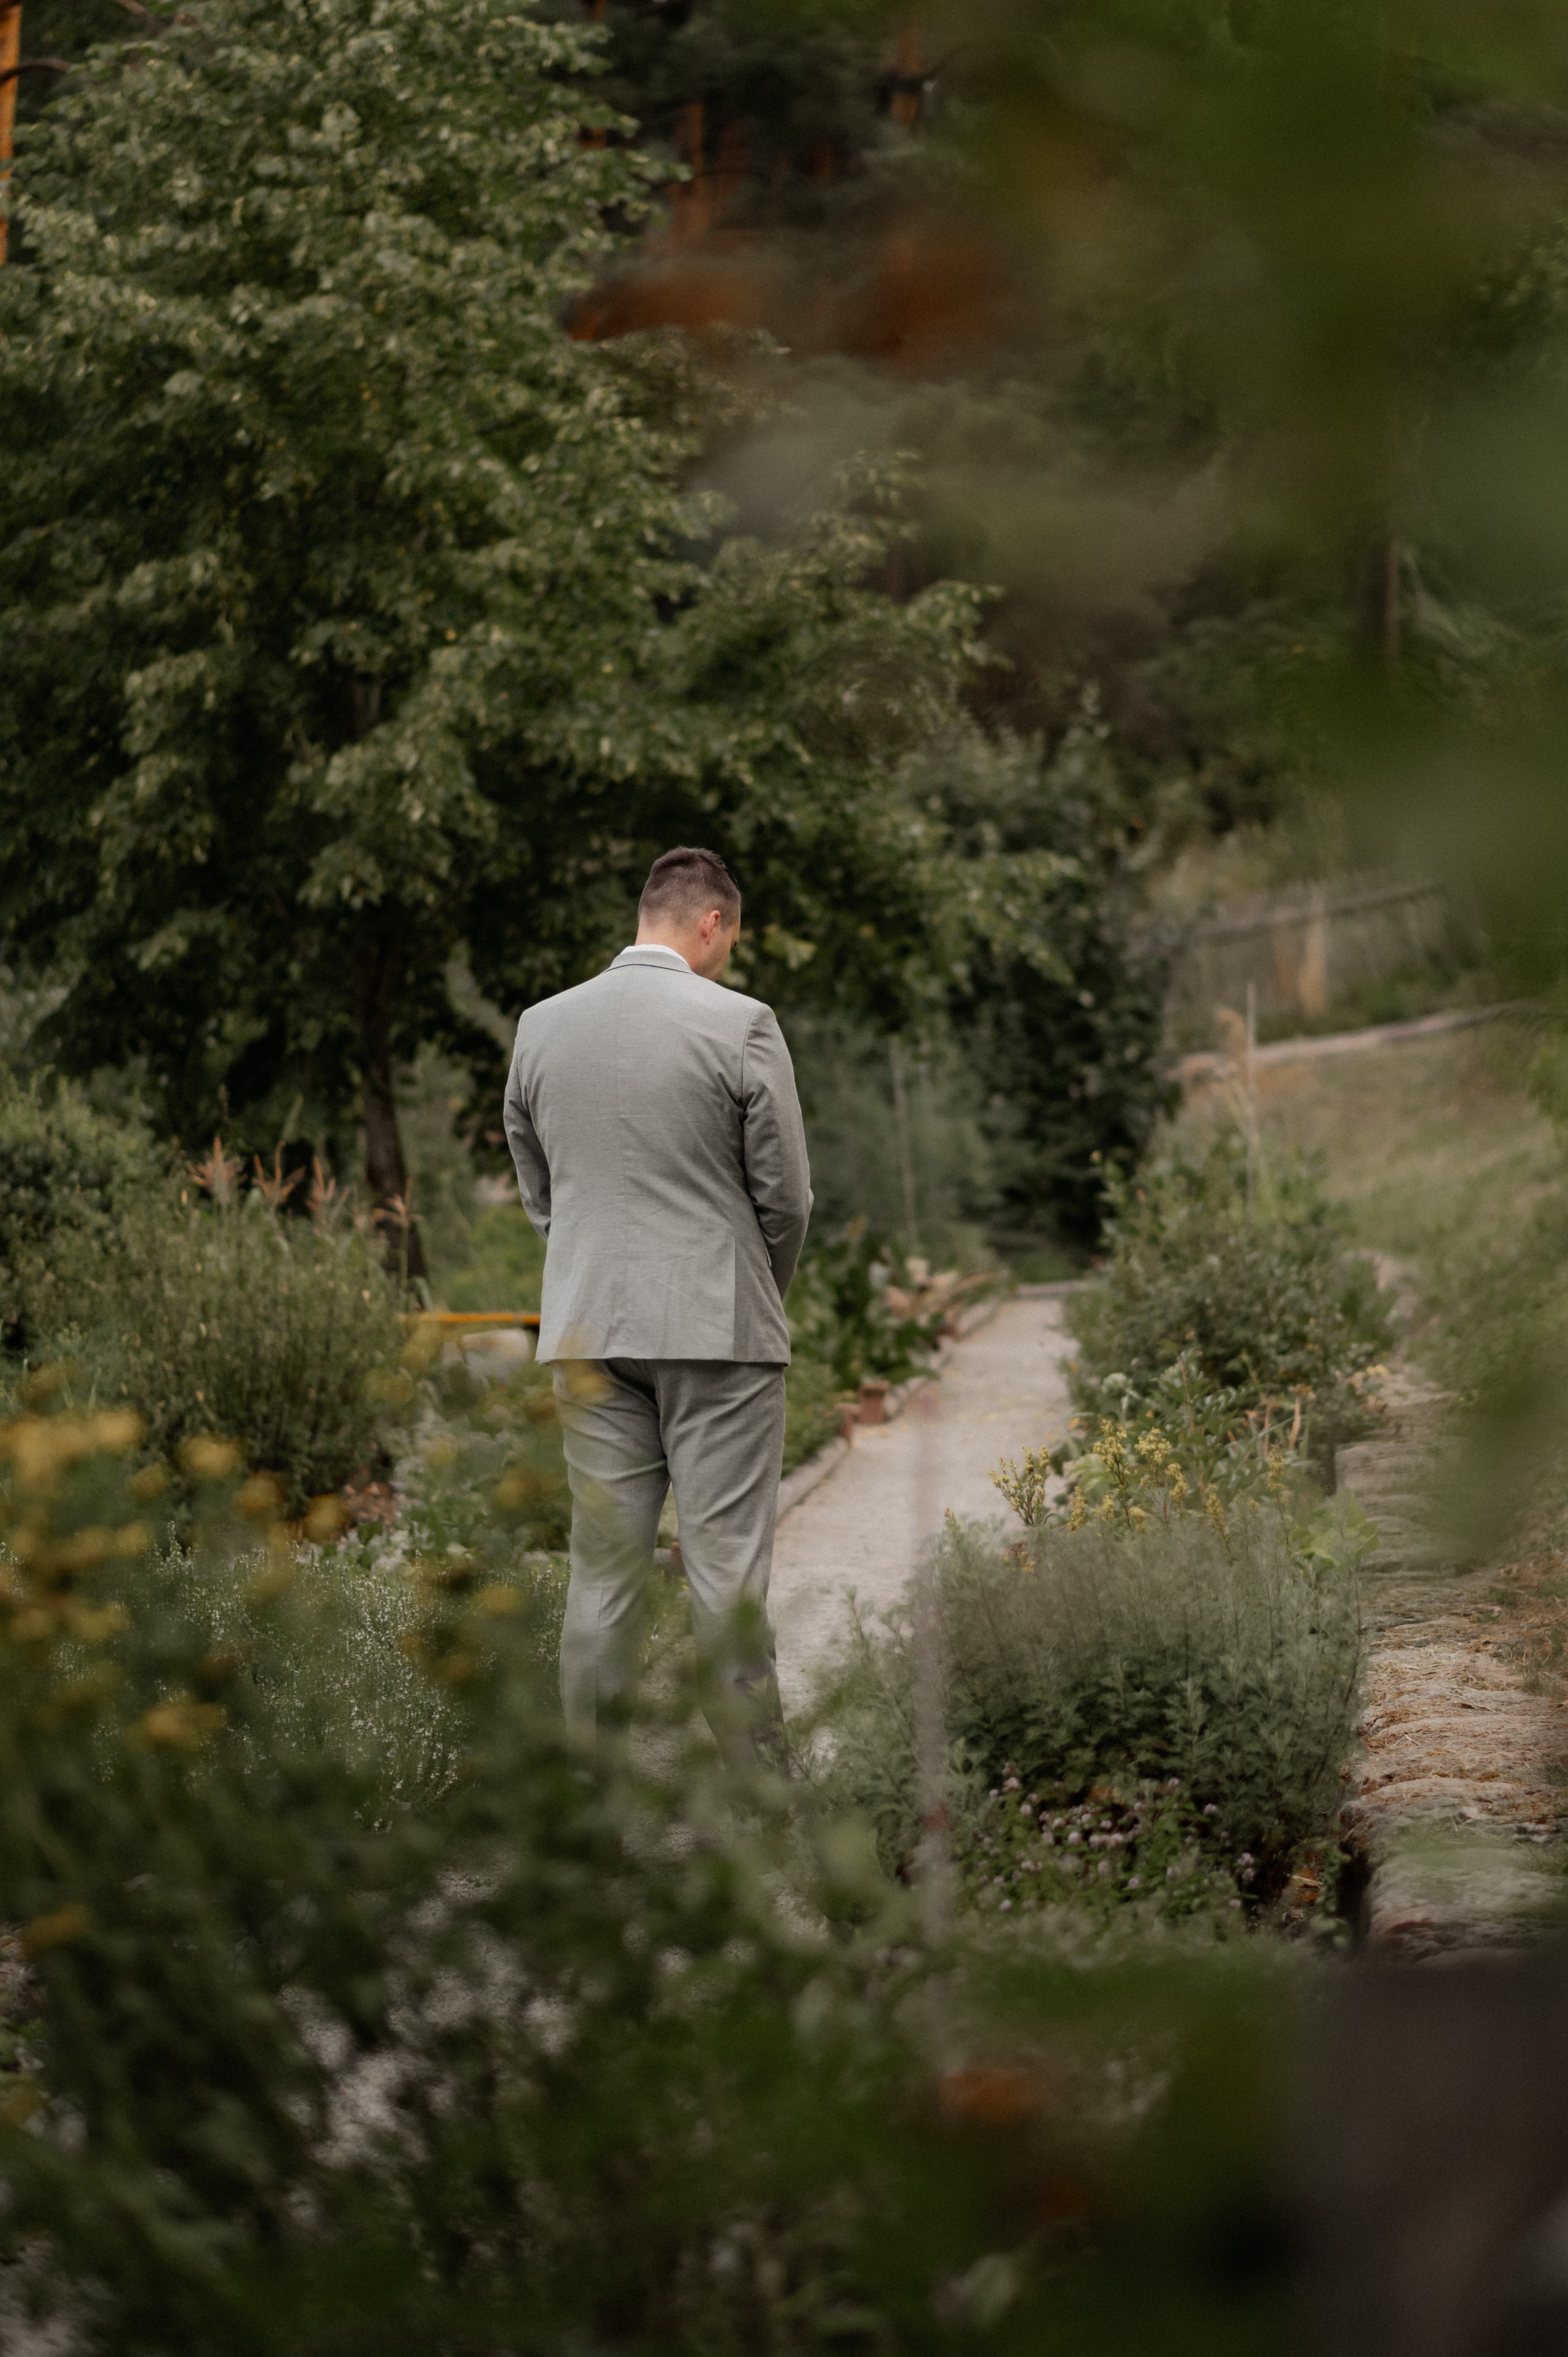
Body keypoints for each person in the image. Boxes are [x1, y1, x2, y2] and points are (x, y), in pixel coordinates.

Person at [503, 846, 813, 1750]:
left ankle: (591, 1800)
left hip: (590, 1331)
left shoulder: (540, 1028)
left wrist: (590, 1276)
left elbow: (542, 1193)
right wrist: (755, 1292)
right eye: (732, 937)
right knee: (725, 1578)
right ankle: (756, 1792)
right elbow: (787, 1198)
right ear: (711, 922)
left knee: (602, 1575)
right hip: (721, 1330)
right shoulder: (741, 1023)